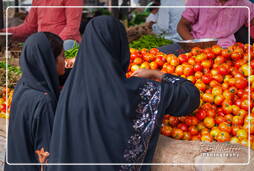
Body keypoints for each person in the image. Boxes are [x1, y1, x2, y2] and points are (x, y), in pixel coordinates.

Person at [47, 16, 200, 171]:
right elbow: (190, 96)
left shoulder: (67, 93)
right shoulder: (138, 91)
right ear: (120, 46)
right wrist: (158, 74)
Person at [4, 32, 65, 171]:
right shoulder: (44, 101)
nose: (65, 61)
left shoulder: (23, 85)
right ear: (49, 61)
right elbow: (46, 155)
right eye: (62, 55)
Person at [1, 0, 83, 50]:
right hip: (45, 44)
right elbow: (28, 27)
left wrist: (51, 46)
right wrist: (3, 33)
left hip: (66, 43)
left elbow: (72, 28)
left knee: (68, 45)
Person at [177, 0, 254, 48]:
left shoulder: (244, 5)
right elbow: (182, 25)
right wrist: (193, 43)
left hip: (227, 51)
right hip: (198, 48)